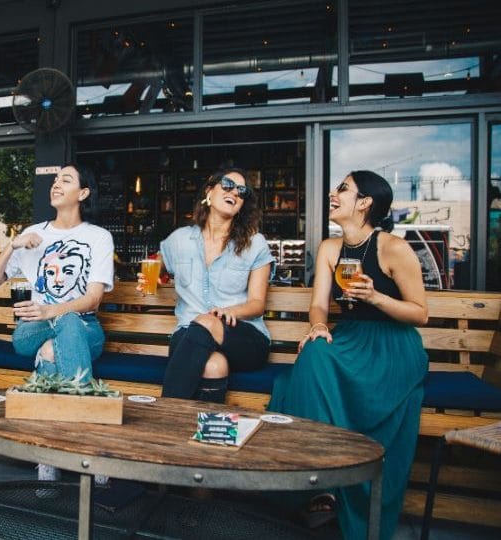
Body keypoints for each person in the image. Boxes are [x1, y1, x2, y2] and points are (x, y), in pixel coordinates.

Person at [269, 170, 428, 540]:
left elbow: (420, 312)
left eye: (342, 188)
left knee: (303, 372)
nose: (332, 193)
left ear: (365, 202)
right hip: (350, 338)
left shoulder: (393, 247)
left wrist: (376, 297)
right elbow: (318, 306)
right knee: (314, 354)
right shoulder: (330, 248)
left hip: (392, 346)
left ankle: (337, 486)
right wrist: (319, 325)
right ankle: (315, 482)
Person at [0, 163, 114, 485]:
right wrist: (12, 244)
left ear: (82, 193)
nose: (56, 184)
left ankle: (47, 457)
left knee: (54, 348)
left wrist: (52, 311)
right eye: (55, 180)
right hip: (30, 332)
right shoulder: (32, 234)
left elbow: (93, 299)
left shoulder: (98, 238)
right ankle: (88, 442)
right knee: (57, 327)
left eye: (65, 180)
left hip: (84, 328)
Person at [159, 168, 273, 404]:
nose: (235, 192)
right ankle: (206, 434)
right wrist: (151, 277)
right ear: (210, 190)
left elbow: (257, 304)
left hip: (241, 336)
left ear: (242, 205)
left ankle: (164, 415)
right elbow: (154, 265)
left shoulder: (255, 244)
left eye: (242, 191)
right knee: (213, 365)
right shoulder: (179, 240)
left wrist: (230, 311)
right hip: (189, 335)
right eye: (228, 184)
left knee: (208, 320)